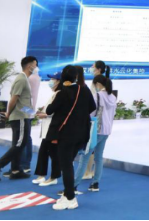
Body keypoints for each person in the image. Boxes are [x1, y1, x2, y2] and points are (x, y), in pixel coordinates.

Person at [46, 65, 96, 211]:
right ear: (76, 76)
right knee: (68, 164)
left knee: (66, 166)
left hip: (65, 135)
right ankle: (67, 194)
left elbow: (49, 110)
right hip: (81, 134)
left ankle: (70, 198)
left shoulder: (63, 93)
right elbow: (92, 107)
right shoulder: (84, 90)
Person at [0, 56, 37, 180]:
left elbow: (23, 103)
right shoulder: (21, 79)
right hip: (20, 117)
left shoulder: (24, 79)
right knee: (20, 144)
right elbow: (14, 99)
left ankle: (15, 170)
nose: (36, 67)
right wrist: (8, 113)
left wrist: (34, 113)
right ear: (29, 66)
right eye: (35, 64)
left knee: (18, 144)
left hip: (22, 115)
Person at [73, 74, 117, 193]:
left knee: (84, 158)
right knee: (98, 157)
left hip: (95, 131)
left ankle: (74, 185)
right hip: (106, 130)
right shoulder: (112, 97)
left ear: (97, 84)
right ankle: (95, 183)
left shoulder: (97, 95)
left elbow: (91, 113)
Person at [32, 72, 63, 187]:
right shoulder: (55, 94)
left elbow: (57, 112)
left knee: (54, 153)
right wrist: (42, 113)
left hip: (53, 128)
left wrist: (45, 115)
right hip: (48, 128)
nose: (51, 81)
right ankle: (41, 175)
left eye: (53, 79)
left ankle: (54, 177)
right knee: (43, 152)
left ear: (58, 81)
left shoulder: (59, 94)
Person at [19, 57, 41, 173]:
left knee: (23, 138)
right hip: (29, 110)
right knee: (27, 137)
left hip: (25, 110)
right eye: (34, 64)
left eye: (35, 64)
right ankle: (25, 163)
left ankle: (23, 164)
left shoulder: (30, 78)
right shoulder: (35, 77)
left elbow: (20, 96)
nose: (35, 66)